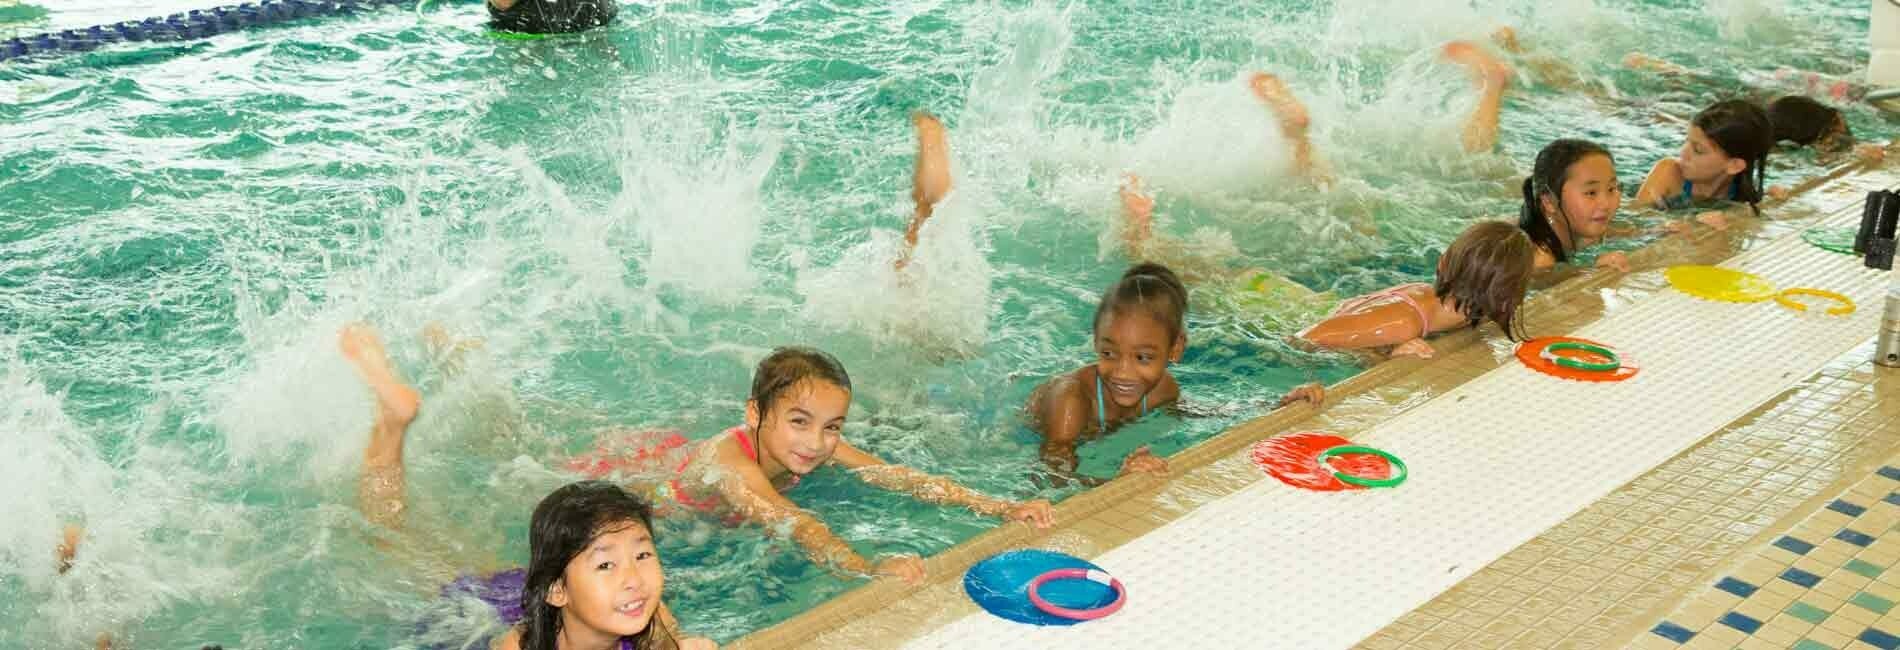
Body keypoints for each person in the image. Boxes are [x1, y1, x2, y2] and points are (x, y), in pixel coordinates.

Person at [338, 324, 715, 650]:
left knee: (444, 552)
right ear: (558, 591)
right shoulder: (519, 645)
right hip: (474, 613)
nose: (633, 577)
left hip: (541, 588)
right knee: (393, 538)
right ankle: (392, 423)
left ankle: (459, 364)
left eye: (643, 555)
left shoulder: (646, 611)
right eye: (607, 563)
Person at [1026, 263, 1326, 486]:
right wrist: (1115, 482)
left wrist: (1276, 404)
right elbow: (1052, 476)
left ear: (1175, 349)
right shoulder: (1071, 401)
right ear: (1095, 341)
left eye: (1143, 357)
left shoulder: (1162, 389)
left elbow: (1200, 413)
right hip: (1036, 429)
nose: (1123, 372)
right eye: (1108, 353)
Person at [1295, 220, 1534, 360]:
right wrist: (1384, 357)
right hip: (1291, 314)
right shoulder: (1404, 322)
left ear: (1442, 262)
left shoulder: (1473, 314)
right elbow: (1305, 340)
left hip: (1326, 305)